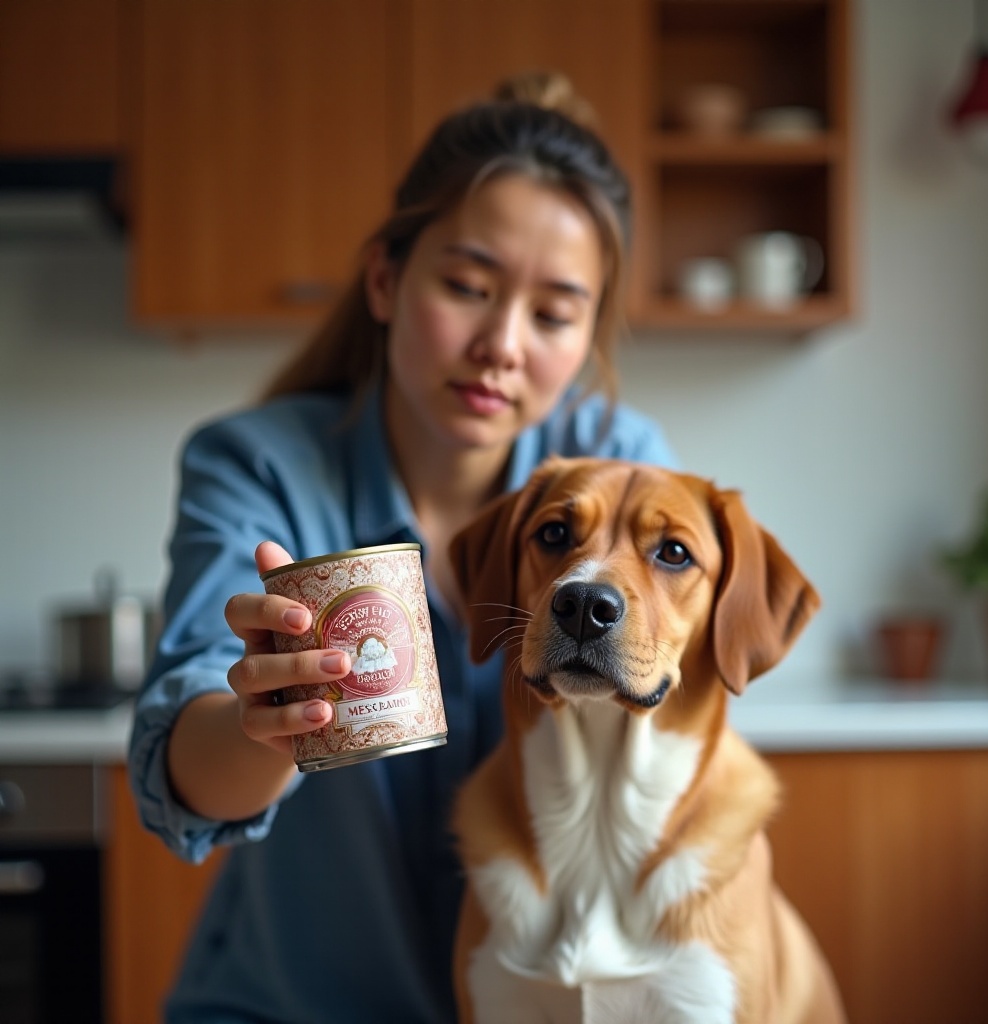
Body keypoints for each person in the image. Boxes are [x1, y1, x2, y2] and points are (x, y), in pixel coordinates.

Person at [130, 71, 679, 1024]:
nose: (502, 343)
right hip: (291, 1003)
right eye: (467, 287)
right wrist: (269, 722)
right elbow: (184, 775)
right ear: (386, 280)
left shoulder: (620, 470)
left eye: (553, 314)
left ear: (588, 337)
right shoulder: (260, 469)